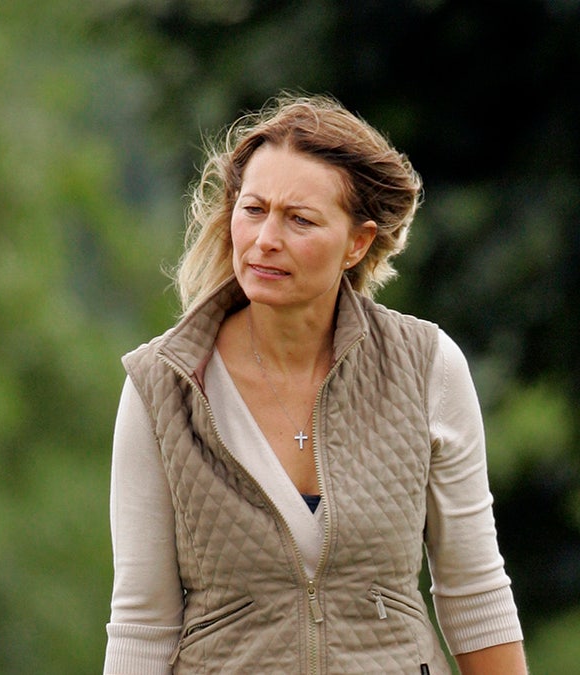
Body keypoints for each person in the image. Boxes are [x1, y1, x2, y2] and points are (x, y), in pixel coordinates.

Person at [102, 94, 526, 674]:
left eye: (299, 219)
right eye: (253, 210)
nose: (265, 239)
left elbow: (474, 592)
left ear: (357, 242)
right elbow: (142, 625)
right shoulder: (161, 386)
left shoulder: (428, 366)